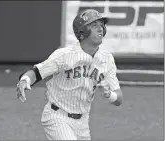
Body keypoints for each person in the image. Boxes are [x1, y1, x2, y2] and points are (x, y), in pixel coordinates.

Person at [16, 9, 123, 140]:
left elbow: (119, 99)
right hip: (57, 117)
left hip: (83, 123)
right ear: (82, 33)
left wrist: (109, 95)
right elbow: (37, 72)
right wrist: (25, 80)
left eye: (101, 25)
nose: (100, 29)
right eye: (94, 25)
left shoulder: (107, 59)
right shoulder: (65, 54)